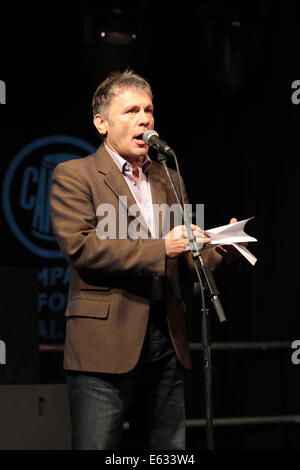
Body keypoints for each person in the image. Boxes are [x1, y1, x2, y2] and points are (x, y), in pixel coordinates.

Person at [50, 69, 241, 450]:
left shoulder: (168, 178)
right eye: (132, 110)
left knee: (167, 450)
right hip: (104, 344)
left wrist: (218, 250)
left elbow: (183, 258)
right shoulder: (75, 175)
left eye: (149, 110)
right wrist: (161, 249)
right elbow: (81, 248)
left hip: (166, 339)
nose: (145, 120)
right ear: (101, 123)